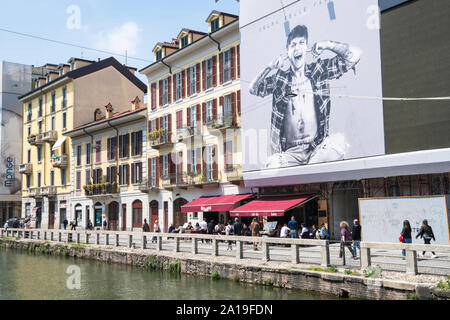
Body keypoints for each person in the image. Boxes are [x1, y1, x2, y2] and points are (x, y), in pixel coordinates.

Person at [249, 24, 361, 168]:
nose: (297, 48)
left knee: (339, 143)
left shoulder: (318, 71)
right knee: (272, 164)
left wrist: (327, 44)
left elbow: (354, 56)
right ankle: (308, 170)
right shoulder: (280, 80)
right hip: (290, 153)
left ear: (307, 47)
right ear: (287, 52)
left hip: (316, 149)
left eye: (301, 43)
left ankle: (311, 169)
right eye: (293, 45)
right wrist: (269, 67)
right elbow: (253, 89)